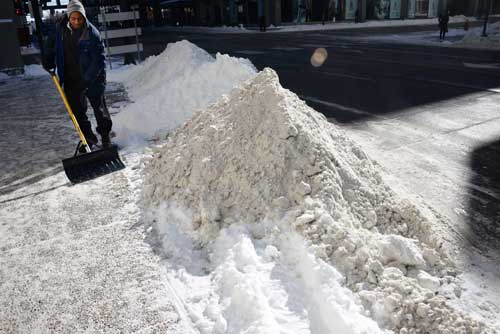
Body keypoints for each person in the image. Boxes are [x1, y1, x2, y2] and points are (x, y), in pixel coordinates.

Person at [43, 0, 113, 150]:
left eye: (79, 18)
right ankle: (89, 139)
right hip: (70, 77)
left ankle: (105, 137)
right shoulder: (59, 30)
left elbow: (99, 60)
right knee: (77, 111)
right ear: (68, 17)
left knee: (99, 109)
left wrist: (86, 80)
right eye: (73, 18)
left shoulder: (92, 33)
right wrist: (48, 61)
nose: (76, 21)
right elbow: (49, 46)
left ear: (84, 17)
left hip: (93, 77)